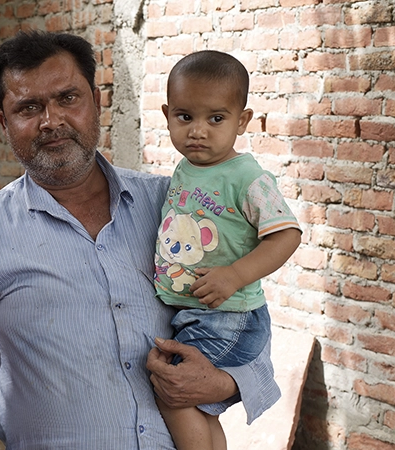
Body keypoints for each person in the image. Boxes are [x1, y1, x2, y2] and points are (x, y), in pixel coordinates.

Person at [0, 30, 281, 450]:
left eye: (68, 98)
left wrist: (221, 382)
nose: (52, 120)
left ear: (97, 102)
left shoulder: (174, 206)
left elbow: (243, 321)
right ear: (4, 123)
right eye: (29, 107)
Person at [154, 50, 301, 450]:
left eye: (215, 119)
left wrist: (234, 276)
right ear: (167, 115)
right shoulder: (186, 168)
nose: (198, 131)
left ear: (242, 121)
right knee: (197, 407)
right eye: (185, 117)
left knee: (176, 397)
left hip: (228, 317)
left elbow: (287, 235)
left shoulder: (248, 177)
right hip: (199, 315)